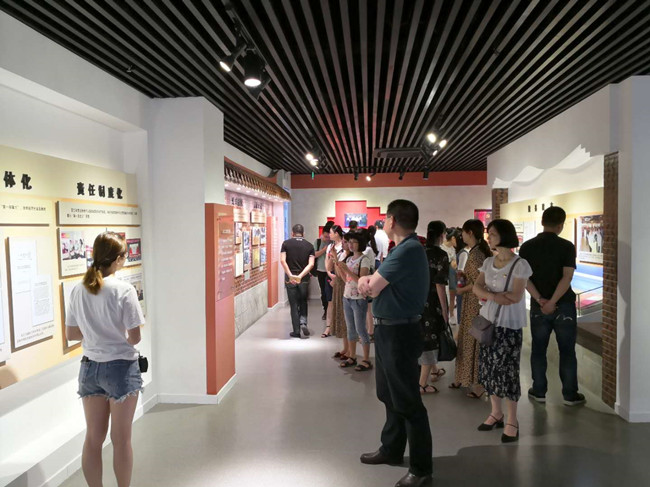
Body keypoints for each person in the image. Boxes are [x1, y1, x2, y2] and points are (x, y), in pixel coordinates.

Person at [357, 199, 432, 487]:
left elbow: (372, 288)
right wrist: (369, 282)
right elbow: (374, 285)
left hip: (400, 332)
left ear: (392, 220)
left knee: (408, 401)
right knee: (388, 394)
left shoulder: (408, 249)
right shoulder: (401, 249)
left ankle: (421, 469)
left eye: (385, 219)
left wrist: (367, 282)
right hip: (389, 330)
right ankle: (391, 448)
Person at [65, 232, 144, 487]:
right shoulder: (124, 290)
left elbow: (71, 334)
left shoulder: (78, 289)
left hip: (89, 368)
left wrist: (95, 334)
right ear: (118, 259)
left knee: (93, 438)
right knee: (121, 440)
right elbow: (135, 338)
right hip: (121, 368)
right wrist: (114, 335)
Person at [519, 206, 586, 406]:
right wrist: (554, 301)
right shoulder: (566, 246)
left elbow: (525, 278)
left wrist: (541, 299)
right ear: (560, 225)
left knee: (538, 349)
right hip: (563, 305)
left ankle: (539, 391)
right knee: (567, 351)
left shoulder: (527, 247)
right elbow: (567, 277)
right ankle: (570, 394)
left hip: (539, 306)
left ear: (542, 222)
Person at [473, 220, 533, 443]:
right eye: (488, 233)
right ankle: (495, 413)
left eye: (493, 234)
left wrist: (489, 294)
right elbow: (476, 287)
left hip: (509, 325)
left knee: (507, 371)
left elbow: (516, 296)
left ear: (504, 236)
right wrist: (495, 296)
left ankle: (512, 420)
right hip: (488, 322)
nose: (489, 237)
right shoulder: (488, 262)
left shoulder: (520, 264)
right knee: (489, 369)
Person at [450, 219, 492, 398]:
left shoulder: (475, 255)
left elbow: (478, 282)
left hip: (475, 303)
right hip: (471, 302)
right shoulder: (475, 252)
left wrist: (462, 289)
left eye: (464, 233)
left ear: (470, 233)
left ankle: (476, 383)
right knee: (468, 340)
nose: (462, 236)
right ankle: (464, 377)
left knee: (472, 341)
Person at [419, 221, 450, 394]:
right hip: (432, 303)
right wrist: (445, 309)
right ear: (442, 235)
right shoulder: (441, 255)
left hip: (416, 301)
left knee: (423, 336)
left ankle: (434, 370)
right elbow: (440, 285)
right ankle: (422, 383)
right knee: (430, 341)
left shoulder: (420, 252)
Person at [335, 232, 373, 371]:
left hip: (359, 299)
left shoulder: (364, 260)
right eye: (349, 242)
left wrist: (347, 271)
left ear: (360, 244)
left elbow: (361, 281)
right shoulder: (349, 259)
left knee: (361, 329)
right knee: (350, 328)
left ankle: (366, 359)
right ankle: (352, 356)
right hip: (347, 297)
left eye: (353, 242)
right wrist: (340, 267)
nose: (350, 244)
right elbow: (347, 280)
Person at [280, 224, 315, 338]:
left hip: (290, 278)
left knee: (294, 304)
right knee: (303, 301)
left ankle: (296, 330)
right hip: (303, 278)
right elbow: (311, 264)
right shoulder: (309, 246)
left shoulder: (286, 244)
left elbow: (282, 261)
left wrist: (290, 275)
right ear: (303, 233)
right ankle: (303, 322)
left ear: (292, 233)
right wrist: (300, 276)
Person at [326, 225, 349, 354]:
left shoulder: (351, 257)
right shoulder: (333, 248)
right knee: (341, 316)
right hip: (339, 285)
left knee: (348, 319)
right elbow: (329, 267)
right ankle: (346, 349)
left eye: (346, 242)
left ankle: (351, 352)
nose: (344, 244)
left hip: (346, 287)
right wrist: (333, 257)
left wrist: (336, 262)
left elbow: (345, 276)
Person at [314, 221, 334, 322]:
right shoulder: (318, 242)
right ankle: (326, 310)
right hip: (321, 270)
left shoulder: (333, 242)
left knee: (332, 292)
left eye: (328, 237)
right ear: (322, 234)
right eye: (325, 237)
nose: (327, 239)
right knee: (323, 292)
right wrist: (324, 250)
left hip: (331, 271)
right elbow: (314, 255)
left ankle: (332, 311)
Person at [441, 229, 458, 324]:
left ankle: (451, 315)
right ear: (453, 238)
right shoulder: (441, 248)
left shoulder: (453, 249)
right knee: (445, 297)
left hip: (452, 275)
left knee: (452, 296)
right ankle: (445, 316)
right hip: (444, 276)